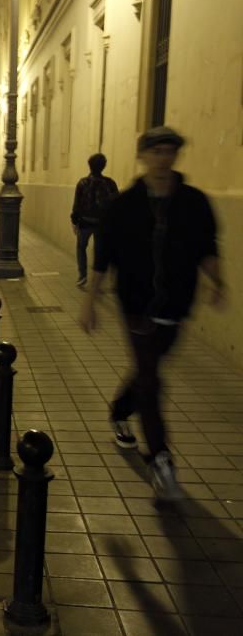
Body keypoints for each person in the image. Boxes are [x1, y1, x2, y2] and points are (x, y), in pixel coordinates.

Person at [79, 126, 225, 502]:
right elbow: (104, 256)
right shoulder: (125, 204)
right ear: (143, 156)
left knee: (149, 372)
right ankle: (161, 462)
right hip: (136, 305)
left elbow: (207, 247)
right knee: (152, 382)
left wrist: (218, 283)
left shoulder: (194, 202)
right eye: (155, 151)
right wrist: (90, 300)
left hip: (176, 306)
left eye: (169, 151)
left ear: (175, 156)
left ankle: (119, 410)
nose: (162, 158)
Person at [71, 153, 119, 287]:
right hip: (103, 223)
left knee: (81, 247)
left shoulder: (82, 183)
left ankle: (82, 275)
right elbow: (116, 204)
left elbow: (77, 204)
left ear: (89, 166)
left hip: (85, 222)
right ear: (104, 166)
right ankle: (99, 279)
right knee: (100, 251)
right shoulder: (110, 183)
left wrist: (74, 221)